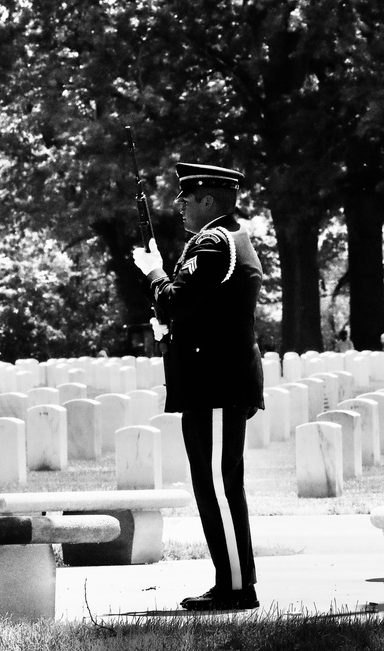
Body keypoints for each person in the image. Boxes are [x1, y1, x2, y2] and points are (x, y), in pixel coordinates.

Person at [133, 161, 264, 612]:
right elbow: (204, 313)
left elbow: (176, 298)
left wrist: (153, 272)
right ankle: (233, 580)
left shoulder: (212, 242)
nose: (180, 205)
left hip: (215, 385)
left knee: (218, 486)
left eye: (186, 198)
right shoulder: (233, 239)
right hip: (218, 382)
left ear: (208, 199)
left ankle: (235, 587)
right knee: (219, 485)